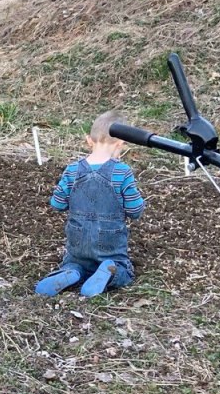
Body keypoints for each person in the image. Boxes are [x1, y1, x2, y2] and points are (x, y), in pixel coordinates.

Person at [35, 110, 145, 298]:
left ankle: (71, 272)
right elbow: (135, 210)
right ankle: (110, 270)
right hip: (109, 243)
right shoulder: (122, 172)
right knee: (123, 269)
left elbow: (57, 203)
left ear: (89, 140)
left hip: (78, 242)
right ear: (120, 144)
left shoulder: (72, 170)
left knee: (74, 263)